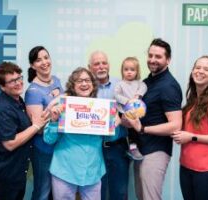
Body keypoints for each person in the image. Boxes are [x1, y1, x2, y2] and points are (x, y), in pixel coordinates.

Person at [0, 62, 48, 200]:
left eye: (19, 78)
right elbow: (10, 143)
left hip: (16, 169)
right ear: (2, 87)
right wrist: (35, 126)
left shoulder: (17, 100)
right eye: (12, 81)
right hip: (5, 171)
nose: (18, 83)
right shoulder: (2, 109)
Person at [126, 38, 183, 200]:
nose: (152, 60)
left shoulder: (168, 86)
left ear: (168, 60)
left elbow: (176, 125)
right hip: (141, 150)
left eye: (158, 56)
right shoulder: (146, 82)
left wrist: (143, 129)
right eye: (150, 55)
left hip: (155, 151)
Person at [171, 56, 208, 200]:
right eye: (197, 67)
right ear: (192, 71)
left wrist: (191, 137)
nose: (200, 71)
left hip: (207, 170)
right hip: (186, 166)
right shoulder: (193, 99)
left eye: (206, 69)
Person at [42, 67, 106, 200]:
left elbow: (112, 136)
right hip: (65, 171)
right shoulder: (61, 106)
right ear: (73, 85)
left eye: (87, 80)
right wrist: (54, 121)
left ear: (93, 85)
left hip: (92, 171)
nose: (84, 84)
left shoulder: (102, 108)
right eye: (79, 81)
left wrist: (114, 123)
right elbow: (48, 139)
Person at [88, 51, 129, 200]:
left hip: (117, 148)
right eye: (96, 64)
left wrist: (122, 117)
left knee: (119, 192)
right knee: (95, 193)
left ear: (109, 65)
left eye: (104, 63)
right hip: (94, 148)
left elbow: (133, 110)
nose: (101, 67)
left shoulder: (123, 85)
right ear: (89, 67)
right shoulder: (85, 88)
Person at [25, 46, 64, 200]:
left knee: (57, 192)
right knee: (43, 191)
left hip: (60, 147)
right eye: (38, 60)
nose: (44, 62)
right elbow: (39, 128)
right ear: (33, 66)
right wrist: (54, 112)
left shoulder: (56, 80)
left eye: (46, 57)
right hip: (43, 149)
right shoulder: (33, 92)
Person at [114, 57, 147, 160]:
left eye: (132, 70)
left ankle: (133, 148)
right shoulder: (120, 84)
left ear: (137, 71)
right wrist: (127, 101)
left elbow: (144, 87)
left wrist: (137, 96)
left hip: (135, 112)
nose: (129, 72)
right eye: (126, 69)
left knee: (135, 131)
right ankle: (131, 148)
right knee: (128, 132)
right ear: (122, 71)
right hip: (123, 111)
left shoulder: (139, 83)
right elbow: (116, 95)